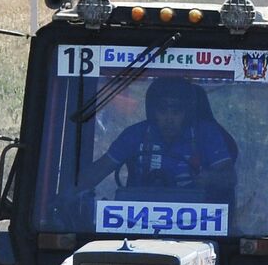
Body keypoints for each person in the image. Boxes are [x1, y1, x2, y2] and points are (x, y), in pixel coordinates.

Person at [81, 78, 237, 195]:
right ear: (152, 111)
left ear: (187, 113)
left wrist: (210, 178)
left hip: (194, 221)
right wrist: (65, 196)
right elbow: (99, 170)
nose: (169, 118)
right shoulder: (134, 135)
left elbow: (230, 177)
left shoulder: (206, 134)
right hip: (134, 221)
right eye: (162, 110)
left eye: (176, 111)